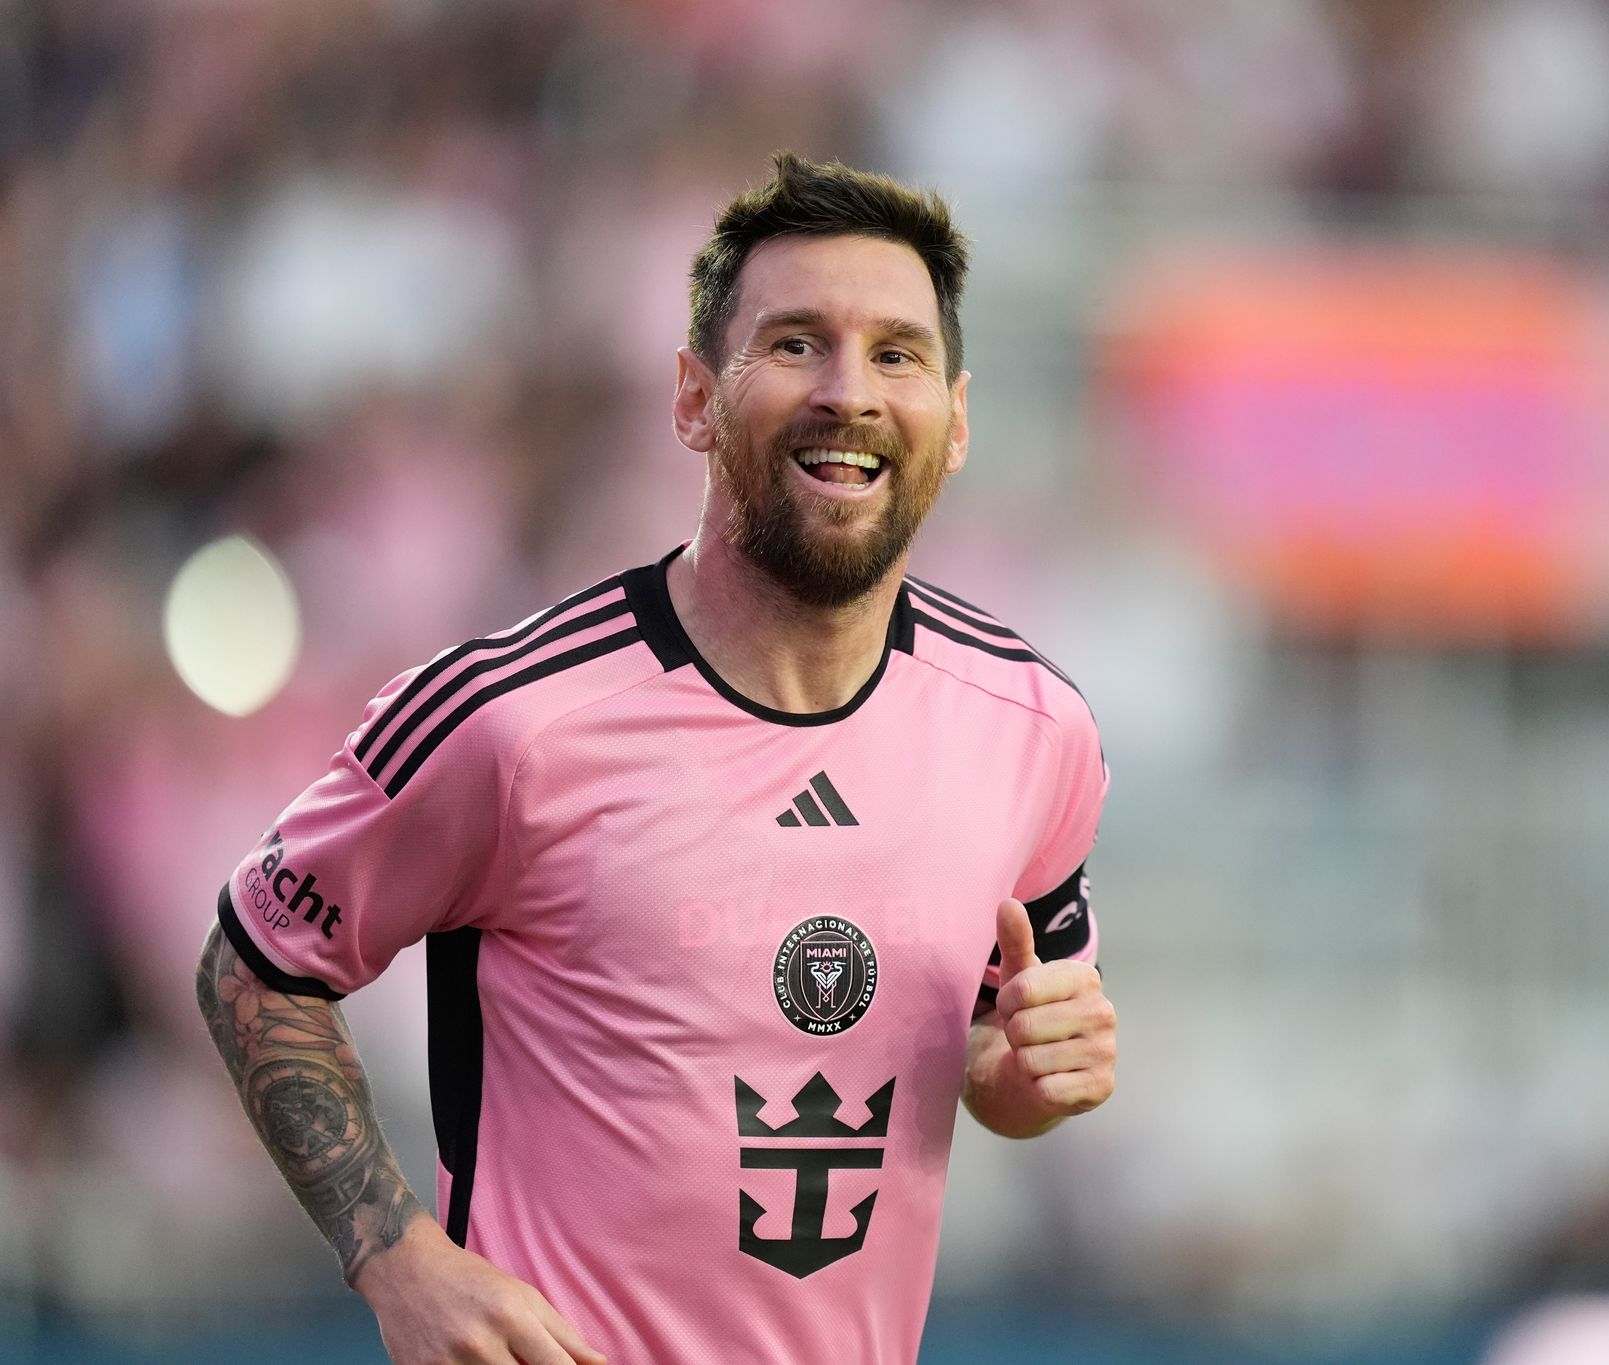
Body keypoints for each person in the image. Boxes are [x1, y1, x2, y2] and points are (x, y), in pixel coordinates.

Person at [196, 152, 1116, 1365]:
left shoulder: (1035, 730)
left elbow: (1005, 1050)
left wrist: (1024, 1077)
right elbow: (254, 965)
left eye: (896, 354)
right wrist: (398, 1259)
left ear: (953, 424)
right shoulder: (510, 722)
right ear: (693, 399)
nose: (849, 391)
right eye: (795, 343)